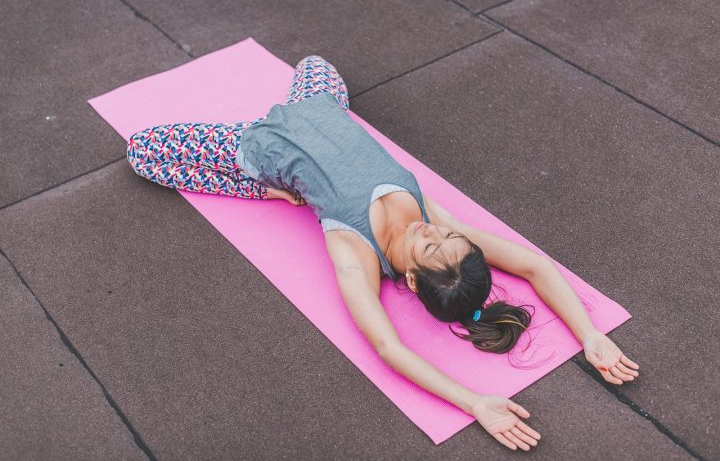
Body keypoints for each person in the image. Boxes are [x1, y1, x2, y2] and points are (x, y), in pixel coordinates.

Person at [126, 55, 640, 451]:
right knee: (314, 63)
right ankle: (280, 178)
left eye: (430, 244)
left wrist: (475, 402)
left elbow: (391, 348)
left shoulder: (355, 253)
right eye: (445, 236)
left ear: (413, 280)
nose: (430, 229)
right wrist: (590, 334)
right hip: (320, 108)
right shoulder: (443, 228)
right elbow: (533, 265)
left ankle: (264, 190)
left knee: (141, 152)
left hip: (259, 146)